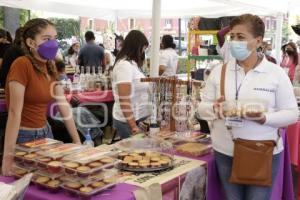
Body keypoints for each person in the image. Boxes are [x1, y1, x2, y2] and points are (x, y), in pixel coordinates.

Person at [197, 14, 298, 200]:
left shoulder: (275, 74)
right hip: (225, 150)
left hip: (261, 151)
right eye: (232, 36)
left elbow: (292, 114)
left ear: (258, 41)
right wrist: (214, 109)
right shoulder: (220, 71)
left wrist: (265, 118)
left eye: (241, 37)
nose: (234, 41)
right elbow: (201, 108)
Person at [2, 18, 81, 175]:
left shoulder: (49, 66)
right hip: (25, 137)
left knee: (50, 182)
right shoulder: (21, 64)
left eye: (54, 38)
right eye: (46, 39)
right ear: (31, 42)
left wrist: (77, 141)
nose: (52, 43)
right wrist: (7, 157)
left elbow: (63, 106)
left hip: (46, 134)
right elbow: (14, 112)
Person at [112, 30, 150, 139]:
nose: (143, 52)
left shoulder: (132, 64)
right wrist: (133, 126)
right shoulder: (124, 65)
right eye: (143, 48)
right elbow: (124, 99)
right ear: (137, 47)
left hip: (139, 118)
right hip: (129, 122)